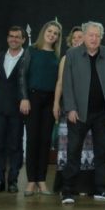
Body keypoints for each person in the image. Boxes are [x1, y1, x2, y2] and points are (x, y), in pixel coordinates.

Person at [61, 21, 105, 204]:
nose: (94, 39)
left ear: (101, 37)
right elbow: (67, 83)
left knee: (102, 152)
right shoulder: (72, 54)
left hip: (102, 113)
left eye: (97, 35)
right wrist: (70, 108)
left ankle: (101, 189)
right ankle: (68, 191)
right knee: (73, 152)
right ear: (84, 36)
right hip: (78, 113)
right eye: (91, 35)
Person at [19, 20, 62, 197]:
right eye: (50, 31)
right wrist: (24, 98)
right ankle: (31, 181)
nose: (52, 35)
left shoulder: (57, 56)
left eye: (56, 33)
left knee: (45, 141)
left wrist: (56, 104)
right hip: (33, 98)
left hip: (50, 100)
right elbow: (22, 75)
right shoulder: (31, 51)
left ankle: (42, 181)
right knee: (33, 140)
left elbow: (59, 82)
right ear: (44, 31)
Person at [53, 26, 95, 195]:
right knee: (69, 148)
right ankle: (67, 186)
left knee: (88, 149)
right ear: (71, 40)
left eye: (81, 37)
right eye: (75, 37)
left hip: (88, 111)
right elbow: (60, 83)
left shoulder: (91, 56)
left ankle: (84, 186)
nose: (78, 39)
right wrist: (56, 103)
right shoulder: (67, 58)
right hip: (70, 109)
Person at [0, 26, 26, 194]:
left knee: (15, 146)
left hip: (18, 109)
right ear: (7, 38)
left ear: (23, 40)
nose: (14, 39)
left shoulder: (27, 57)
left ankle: (13, 181)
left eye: (17, 37)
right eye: (11, 36)